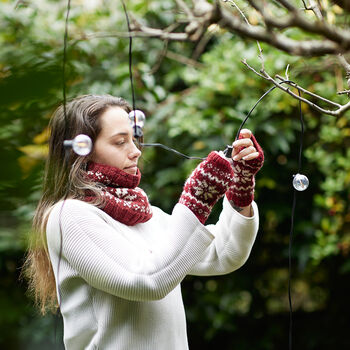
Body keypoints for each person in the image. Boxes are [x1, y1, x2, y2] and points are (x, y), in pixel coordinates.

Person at [23, 94, 264, 350]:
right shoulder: (69, 216)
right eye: (120, 142)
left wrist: (241, 189)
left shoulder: (147, 215)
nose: (136, 151)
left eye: (134, 139)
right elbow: (145, 281)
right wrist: (196, 199)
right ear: (82, 151)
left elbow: (224, 254)